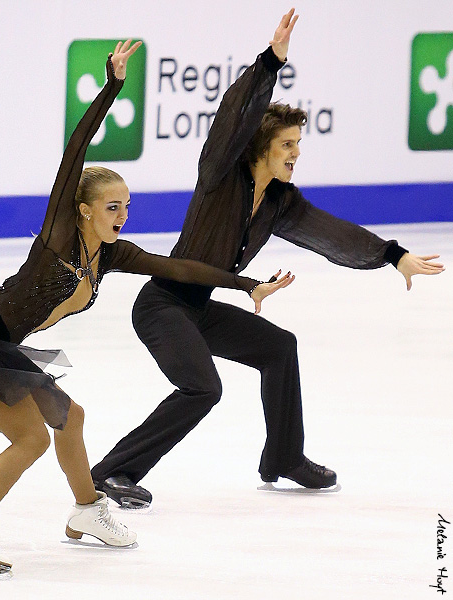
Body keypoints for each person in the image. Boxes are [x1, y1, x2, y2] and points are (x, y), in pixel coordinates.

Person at [0, 40, 291, 575]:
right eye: (111, 206)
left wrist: (245, 285)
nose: (122, 214)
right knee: (31, 437)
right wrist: (112, 89)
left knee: (70, 418)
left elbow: (180, 268)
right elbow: (74, 152)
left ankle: (86, 512)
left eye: (127, 205)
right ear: (82, 209)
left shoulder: (111, 254)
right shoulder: (60, 237)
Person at [90, 9, 445, 509]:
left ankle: (284, 457)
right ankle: (110, 472)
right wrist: (270, 63)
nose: (296, 153)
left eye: (299, 144)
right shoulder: (221, 174)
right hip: (163, 305)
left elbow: (330, 233)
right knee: (202, 389)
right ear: (262, 147)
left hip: (199, 308)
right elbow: (234, 113)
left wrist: (393, 255)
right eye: (287, 145)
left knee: (279, 348)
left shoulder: (280, 201)